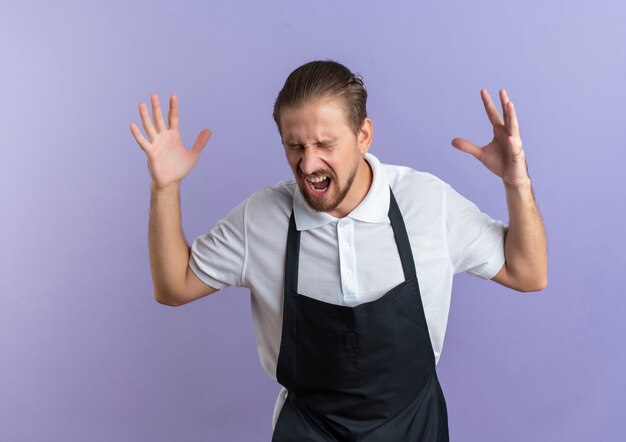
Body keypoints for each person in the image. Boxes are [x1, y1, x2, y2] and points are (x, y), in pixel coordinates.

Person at [130, 60, 547, 441]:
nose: (308, 165)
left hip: (414, 429)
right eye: (295, 146)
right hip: (308, 430)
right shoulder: (261, 219)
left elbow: (528, 274)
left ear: (363, 135)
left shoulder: (427, 204)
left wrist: (518, 183)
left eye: (324, 144)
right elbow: (174, 286)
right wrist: (164, 188)